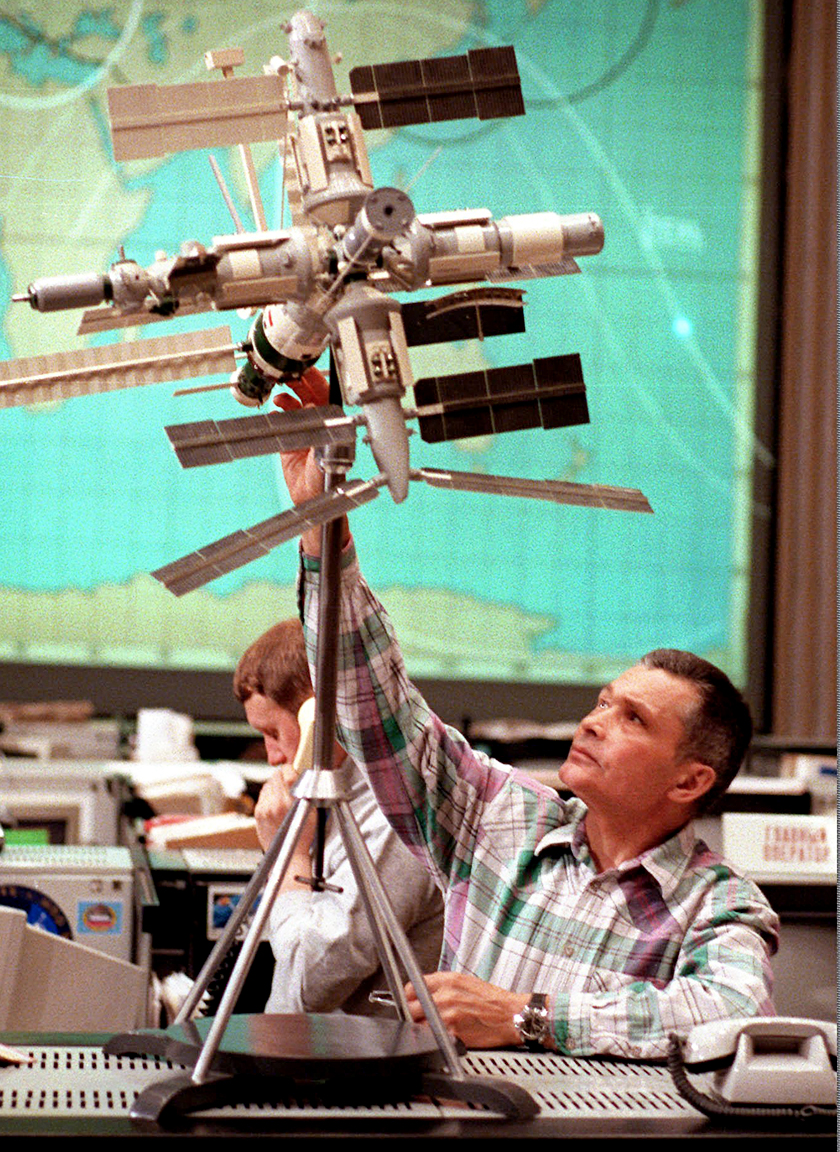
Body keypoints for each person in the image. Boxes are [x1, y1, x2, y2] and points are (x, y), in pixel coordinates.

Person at [274, 367, 779, 1059]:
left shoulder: (716, 902)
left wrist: (527, 1017)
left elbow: (731, 1012)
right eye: (603, 702)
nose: (594, 721)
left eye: (633, 718)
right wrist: (321, 526)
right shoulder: (503, 818)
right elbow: (377, 709)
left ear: (690, 781)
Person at [233, 617, 445, 1017]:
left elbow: (308, 987)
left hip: (358, 1070)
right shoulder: (335, 796)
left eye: (274, 733)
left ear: (321, 715)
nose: (273, 756)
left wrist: (289, 856)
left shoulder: (394, 813)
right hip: (307, 1057)